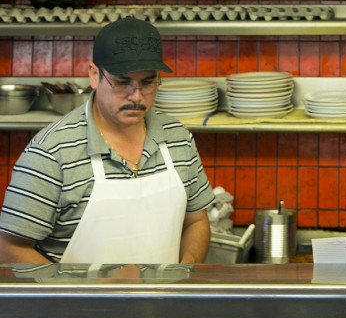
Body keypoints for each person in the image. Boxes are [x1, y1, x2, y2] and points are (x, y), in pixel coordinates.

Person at [0, 16, 214, 266]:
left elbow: (196, 221)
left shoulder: (178, 138)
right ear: (94, 75)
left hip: (163, 302)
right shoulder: (51, 152)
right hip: (76, 305)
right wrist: (74, 298)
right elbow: (9, 248)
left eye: (148, 82)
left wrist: (184, 274)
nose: (136, 96)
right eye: (122, 82)